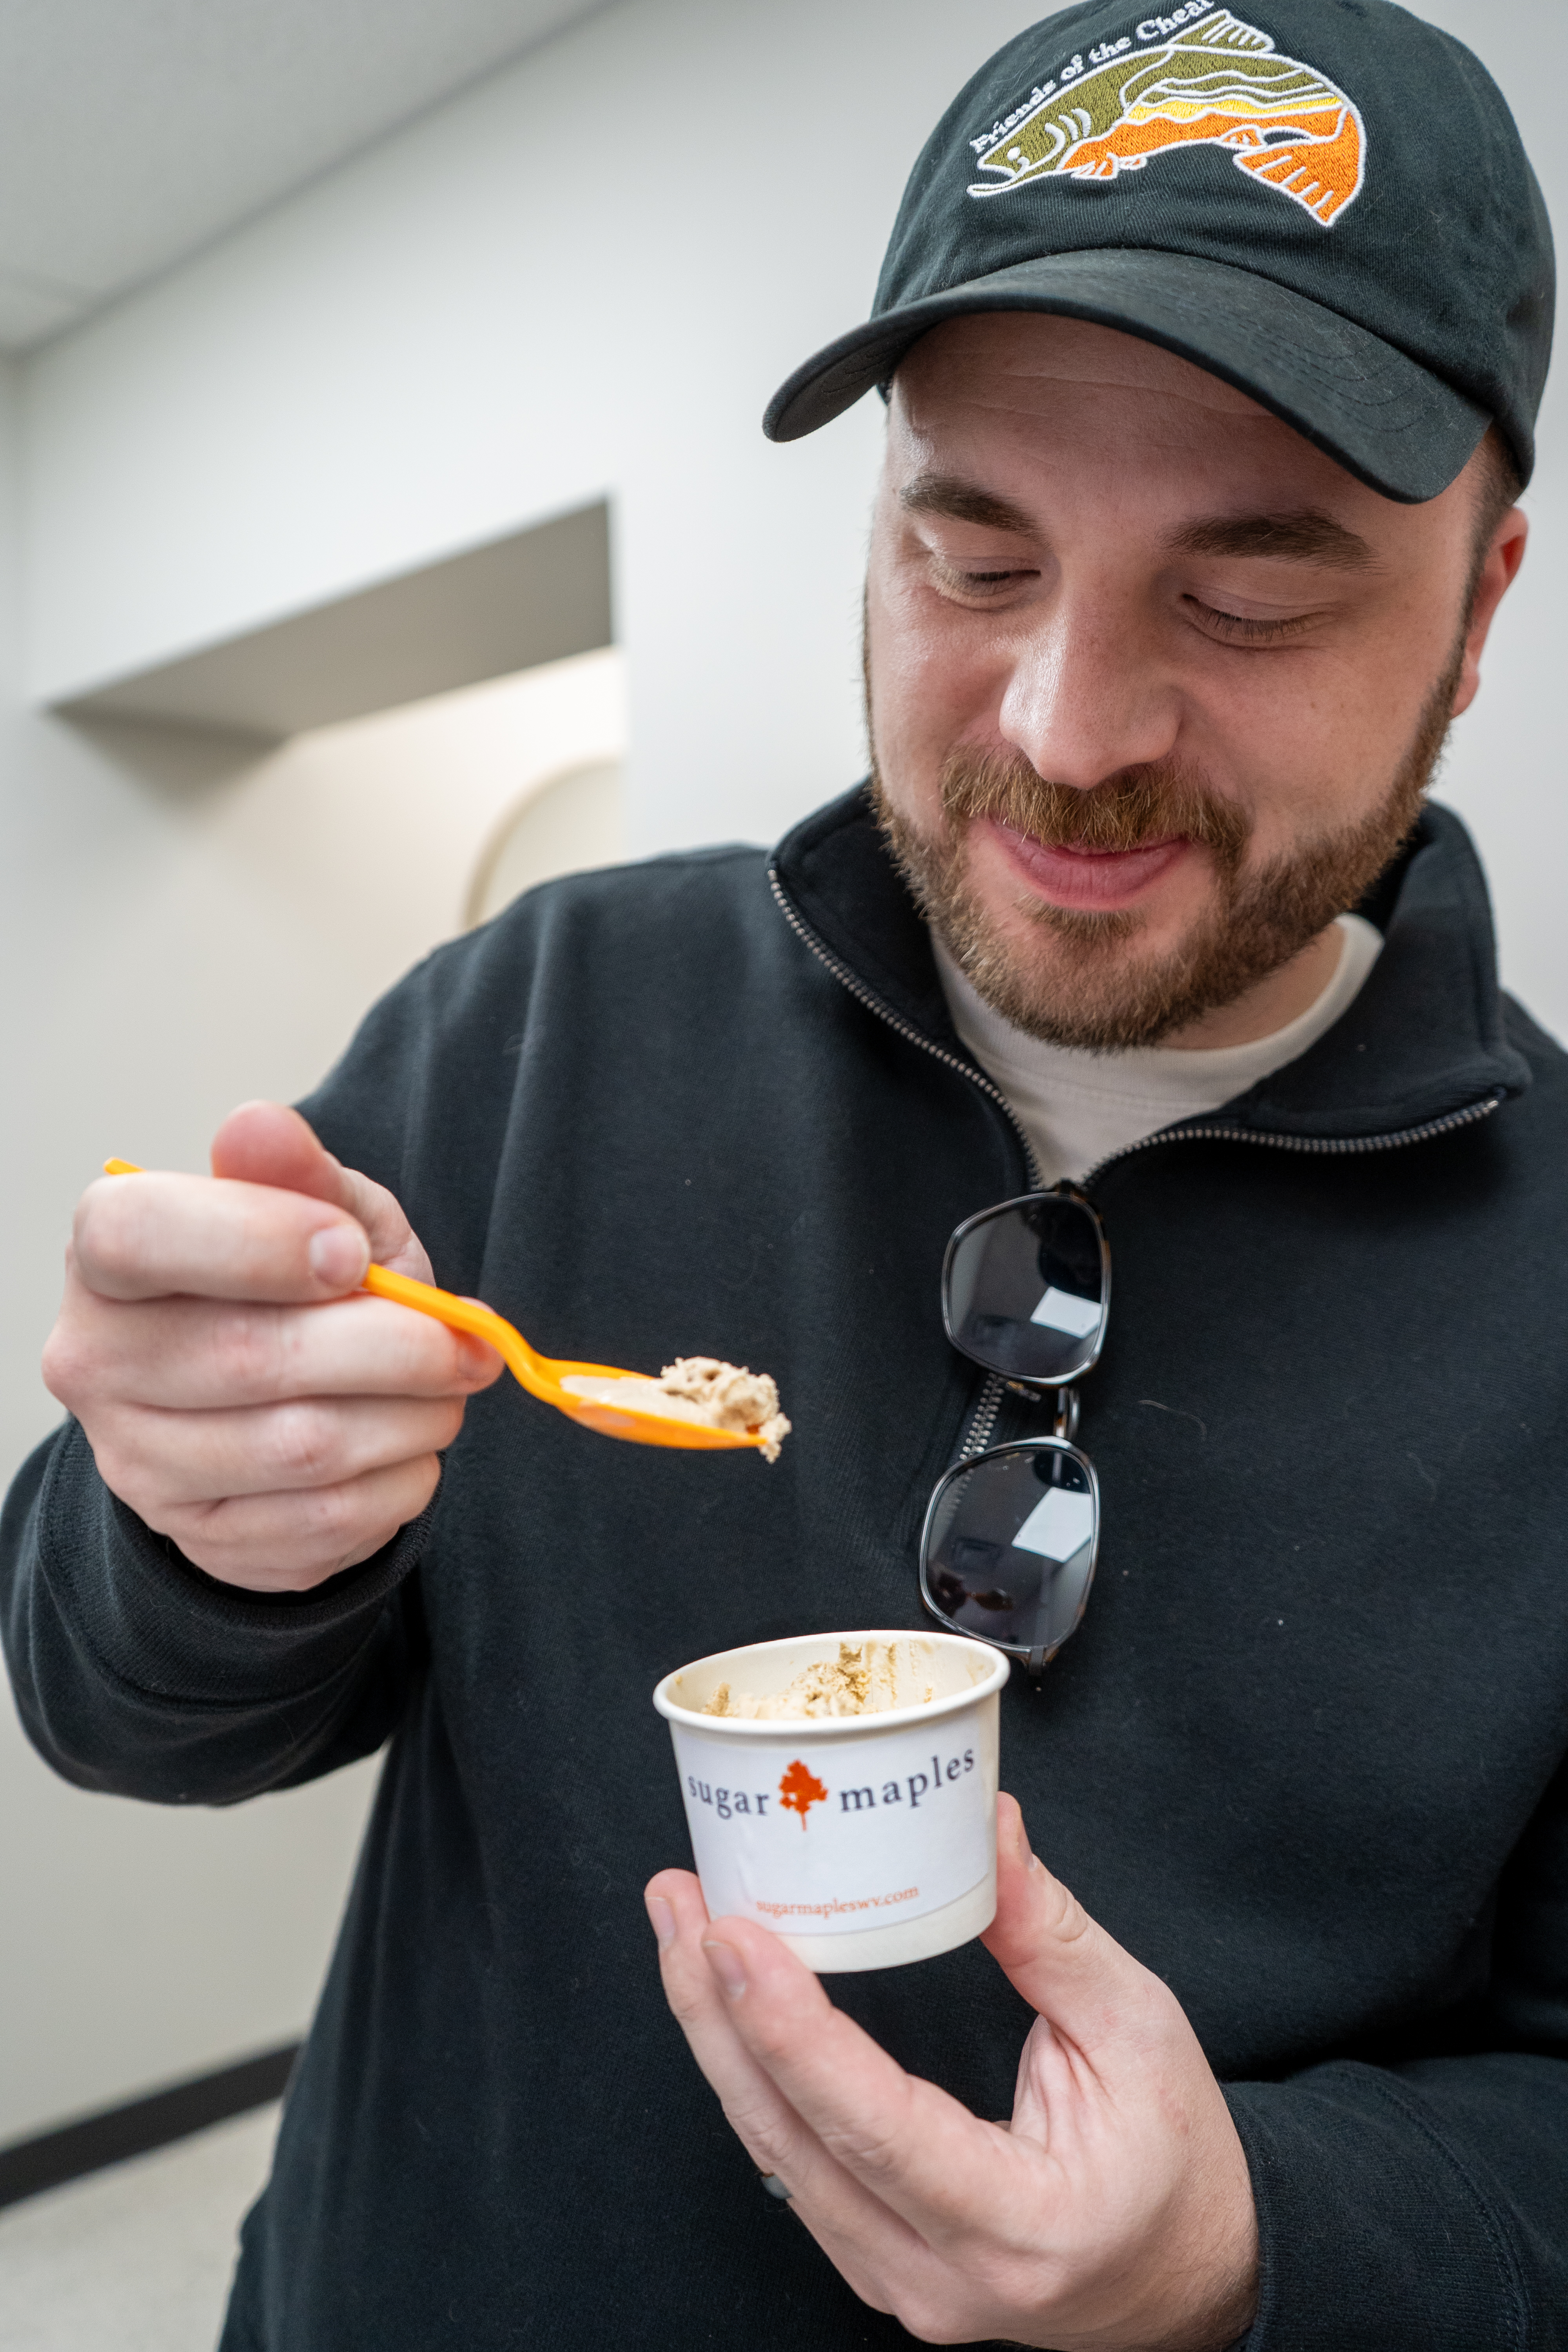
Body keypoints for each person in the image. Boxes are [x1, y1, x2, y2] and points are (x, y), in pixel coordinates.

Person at [3, 1, 1565, 2343]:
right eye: (972, 555)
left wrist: (1251, 2242)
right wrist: (192, 1527)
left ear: (1480, 604)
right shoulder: (538, 1018)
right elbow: (114, 1703)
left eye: (1250, 594)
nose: (1066, 733)